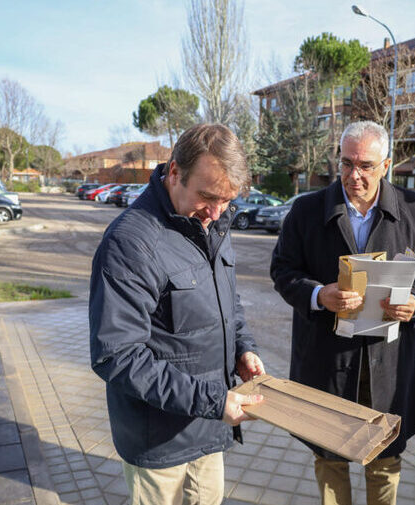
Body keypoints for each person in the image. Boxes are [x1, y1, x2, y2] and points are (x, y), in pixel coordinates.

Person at [270, 120, 415, 505]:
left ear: (386, 165)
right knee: (330, 458)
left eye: (366, 165)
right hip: (327, 359)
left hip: (389, 362)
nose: (354, 175)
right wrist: (319, 294)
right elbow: (282, 270)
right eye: (347, 163)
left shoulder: (414, 211)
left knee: (384, 460)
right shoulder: (306, 210)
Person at [89, 124, 266, 505]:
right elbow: (117, 356)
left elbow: (227, 305)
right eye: (208, 196)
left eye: (227, 200)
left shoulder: (213, 221)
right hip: (158, 445)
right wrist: (214, 402)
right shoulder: (131, 243)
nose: (216, 212)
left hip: (209, 428)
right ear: (174, 173)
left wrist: (243, 347)